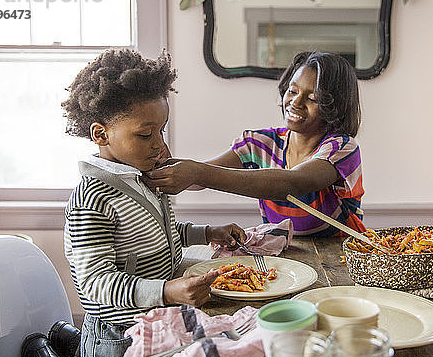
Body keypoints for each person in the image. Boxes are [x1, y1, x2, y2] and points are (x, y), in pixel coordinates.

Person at [60, 49, 246, 357]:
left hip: (154, 321)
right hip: (116, 336)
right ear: (101, 134)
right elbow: (95, 282)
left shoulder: (142, 176)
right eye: (146, 134)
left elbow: (161, 234)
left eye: (161, 130)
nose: (159, 144)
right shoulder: (92, 200)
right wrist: (167, 291)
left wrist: (207, 232)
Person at [143, 51, 365, 236]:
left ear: (336, 105)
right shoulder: (258, 144)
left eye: (312, 98)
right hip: (287, 255)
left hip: (342, 258)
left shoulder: (342, 149)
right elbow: (197, 180)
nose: (295, 102)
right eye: (293, 90)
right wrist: (164, 163)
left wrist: (197, 172)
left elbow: (294, 184)